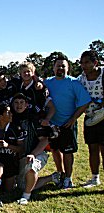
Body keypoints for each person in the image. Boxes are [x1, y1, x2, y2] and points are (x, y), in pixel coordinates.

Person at [44, 55, 91, 189]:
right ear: (53, 68)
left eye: (63, 66)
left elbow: (85, 102)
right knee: (55, 150)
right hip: (53, 124)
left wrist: (73, 118)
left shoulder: (74, 83)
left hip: (67, 124)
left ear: (68, 68)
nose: (60, 68)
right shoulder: (48, 82)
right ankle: (60, 174)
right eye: (58, 65)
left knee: (67, 152)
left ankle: (68, 179)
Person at [11, 93, 58, 204]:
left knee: (31, 167)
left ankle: (26, 196)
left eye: (22, 102)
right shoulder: (11, 119)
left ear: (27, 104)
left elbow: (45, 140)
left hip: (38, 153)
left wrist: (33, 154)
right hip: (21, 155)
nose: (19, 105)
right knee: (23, 185)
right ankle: (52, 177)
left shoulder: (34, 119)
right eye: (16, 103)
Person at [77, 50, 104, 187]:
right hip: (90, 118)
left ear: (95, 63)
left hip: (103, 118)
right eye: (82, 63)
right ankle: (95, 178)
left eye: (87, 62)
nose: (84, 65)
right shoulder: (81, 79)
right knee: (92, 148)